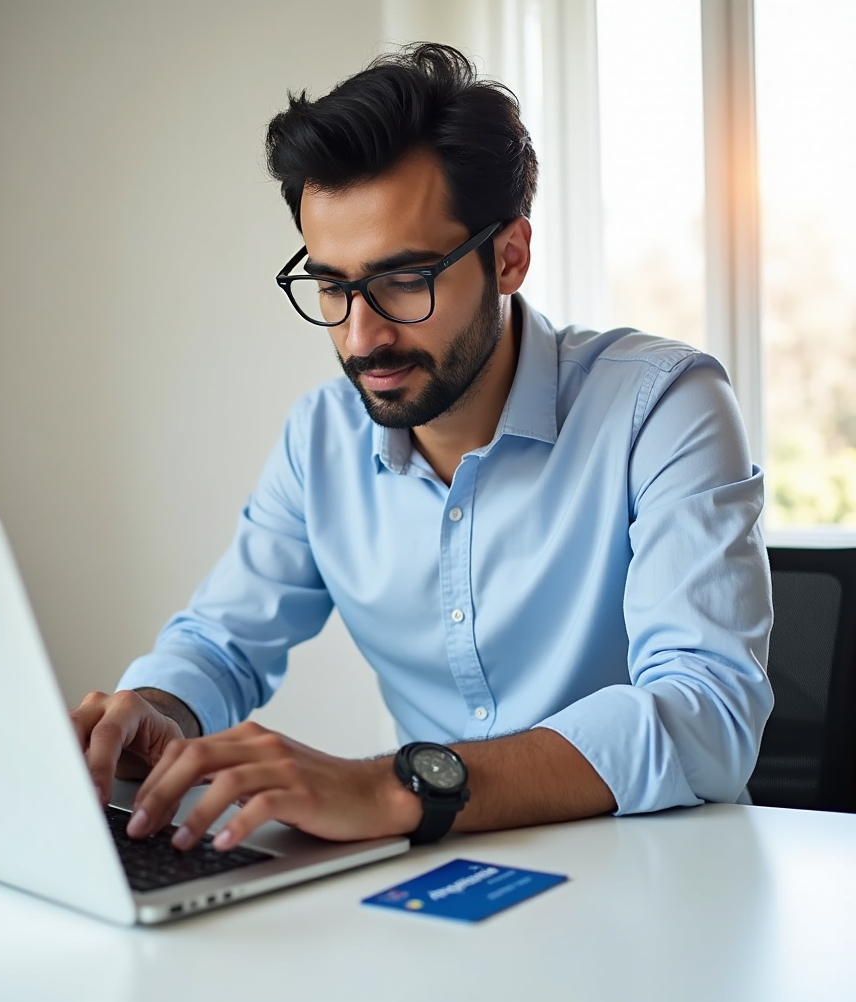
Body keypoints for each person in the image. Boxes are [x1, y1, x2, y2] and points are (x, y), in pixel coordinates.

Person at [71, 43, 772, 853]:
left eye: (405, 280)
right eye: (332, 286)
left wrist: (392, 787)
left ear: (509, 256)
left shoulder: (663, 405)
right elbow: (220, 643)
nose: (362, 337)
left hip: (661, 874)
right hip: (436, 882)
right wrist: (154, 709)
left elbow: (707, 714)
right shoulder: (321, 439)